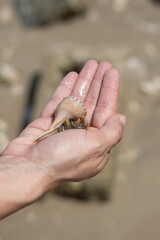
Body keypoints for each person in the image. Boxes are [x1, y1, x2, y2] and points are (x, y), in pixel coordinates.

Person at [0, 60, 126, 220]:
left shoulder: (79, 120)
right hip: (65, 116)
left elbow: (80, 123)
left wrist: (28, 166)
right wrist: (32, 166)